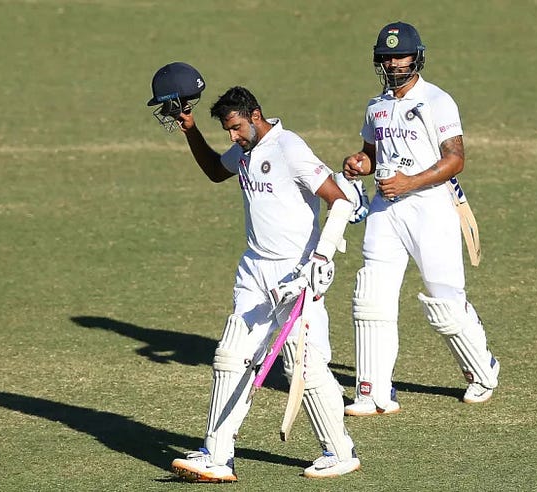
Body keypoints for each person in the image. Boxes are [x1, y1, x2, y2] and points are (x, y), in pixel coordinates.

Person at [147, 64, 367, 482]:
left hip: (295, 274)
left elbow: (340, 202)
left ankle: (340, 451)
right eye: (228, 131)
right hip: (254, 270)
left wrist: (320, 261)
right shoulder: (245, 150)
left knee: (302, 366)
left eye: (235, 128)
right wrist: (191, 127)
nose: (233, 137)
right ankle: (216, 455)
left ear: (255, 114)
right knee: (230, 357)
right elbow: (215, 171)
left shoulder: (289, 148)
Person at [341, 22, 500, 417]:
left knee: (444, 300)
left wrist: (409, 181)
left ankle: (482, 370)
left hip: (430, 208)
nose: (394, 63)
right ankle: (373, 391)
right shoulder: (376, 106)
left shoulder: (437, 101)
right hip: (386, 208)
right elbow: (373, 154)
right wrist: (360, 163)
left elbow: (455, 159)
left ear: (416, 57)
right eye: (387, 57)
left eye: (401, 56)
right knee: (371, 294)